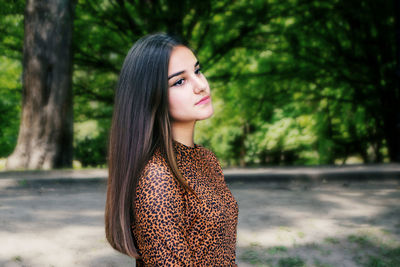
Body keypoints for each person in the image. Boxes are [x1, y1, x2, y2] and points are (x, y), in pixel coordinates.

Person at [105, 33, 239, 266]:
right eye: (179, 81)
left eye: (197, 71)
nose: (201, 85)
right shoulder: (157, 178)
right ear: (151, 97)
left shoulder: (206, 159)